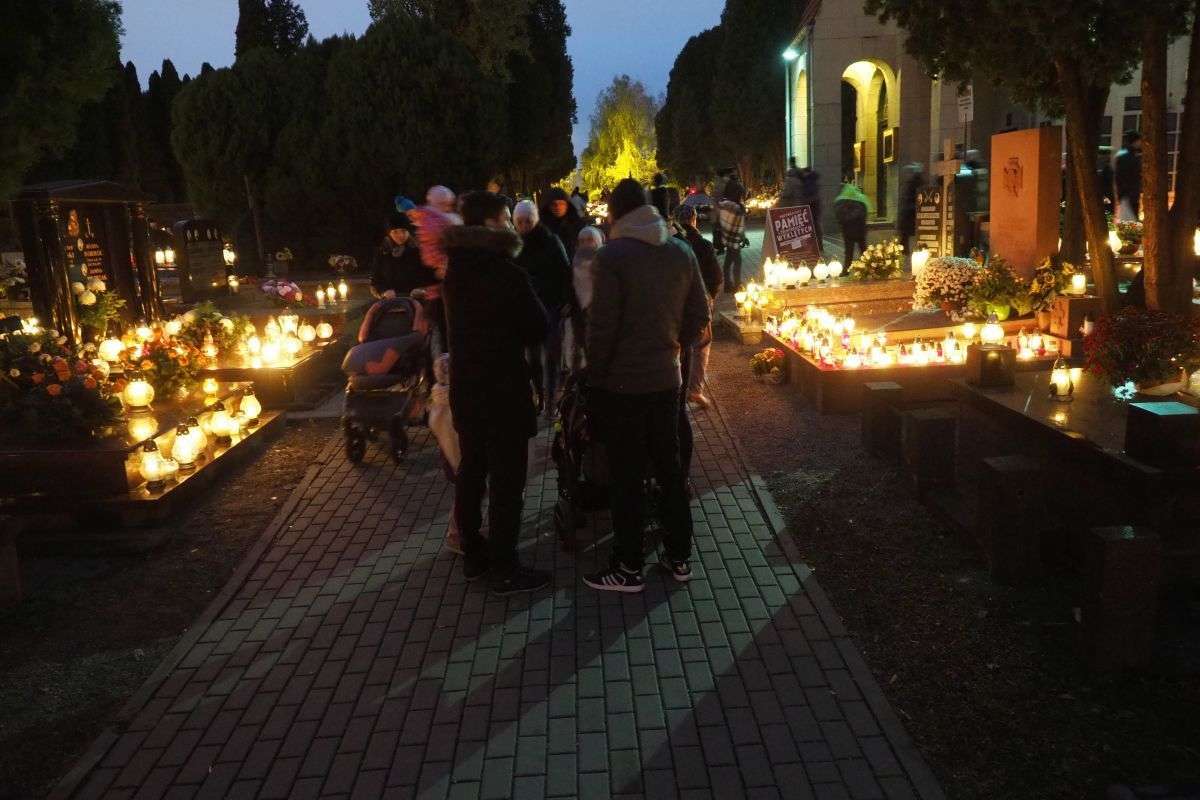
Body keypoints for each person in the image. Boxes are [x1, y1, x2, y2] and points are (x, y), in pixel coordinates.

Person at [583, 178, 710, 592]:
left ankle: (628, 565)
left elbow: (602, 328)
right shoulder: (681, 251)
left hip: (623, 385)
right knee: (669, 470)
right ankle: (679, 556)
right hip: (667, 380)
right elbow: (700, 314)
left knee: (627, 475)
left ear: (616, 213)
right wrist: (674, 345)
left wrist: (595, 378)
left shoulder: (611, 256)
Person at [442, 191, 550, 594]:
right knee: (507, 481)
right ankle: (504, 566)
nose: (509, 224)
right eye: (505, 218)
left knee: (472, 470)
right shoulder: (506, 274)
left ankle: (473, 554)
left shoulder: (455, 270)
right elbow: (538, 327)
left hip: (467, 388)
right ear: (489, 223)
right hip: (503, 389)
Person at [513, 200, 571, 415]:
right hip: (527, 308)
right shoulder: (515, 245)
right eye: (520, 221)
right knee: (532, 358)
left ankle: (550, 401)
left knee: (550, 357)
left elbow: (565, 270)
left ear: (535, 220)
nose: (524, 225)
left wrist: (565, 300)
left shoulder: (551, 241)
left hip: (550, 305)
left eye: (528, 220)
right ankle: (539, 397)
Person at [674, 205, 722, 409]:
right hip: (699, 301)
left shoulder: (672, 244)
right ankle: (694, 390)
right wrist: (710, 296)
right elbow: (716, 276)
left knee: (679, 345)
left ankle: (679, 385)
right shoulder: (703, 244)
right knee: (702, 344)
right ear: (694, 219)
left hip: (676, 302)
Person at [370, 210, 431, 298]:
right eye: (395, 231)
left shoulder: (419, 251)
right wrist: (383, 292)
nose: (400, 235)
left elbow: (429, 276)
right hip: (390, 300)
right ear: (389, 233)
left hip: (416, 299)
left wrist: (422, 289)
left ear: (409, 232)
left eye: (403, 231)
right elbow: (375, 280)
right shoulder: (382, 252)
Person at [568, 226, 604, 370]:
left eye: (589, 240)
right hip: (579, 311)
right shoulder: (575, 260)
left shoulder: (604, 261)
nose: (585, 244)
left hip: (598, 311)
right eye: (582, 241)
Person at [717, 176, 748, 291]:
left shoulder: (723, 204)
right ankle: (737, 284)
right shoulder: (738, 208)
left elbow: (722, 221)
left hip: (726, 236)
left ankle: (727, 284)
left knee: (728, 260)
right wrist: (743, 238)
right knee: (737, 261)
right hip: (734, 238)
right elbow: (740, 226)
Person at [540, 187, 586, 260]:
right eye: (553, 204)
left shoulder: (578, 225)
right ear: (548, 206)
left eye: (561, 204)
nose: (557, 207)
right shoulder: (542, 227)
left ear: (567, 205)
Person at [835, 179, 870, 264]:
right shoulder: (862, 200)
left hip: (848, 231)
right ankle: (868, 267)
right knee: (863, 251)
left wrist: (843, 223)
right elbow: (864, 215)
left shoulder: (841, 202)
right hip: (860, 231)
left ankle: (847, 268)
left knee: (849, 253)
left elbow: (840, 217)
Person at [1114, 131, 1143, 220]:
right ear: (1136, 141)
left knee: (1128, 220)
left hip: (1127, 194)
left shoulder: (1125, 155)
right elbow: (1124, 176)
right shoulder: (1131, 156)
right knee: (1131, 220)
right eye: (1139, 141)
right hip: (1130, 194)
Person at [897, 163, 924, 256]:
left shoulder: (913, 184)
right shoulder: (918, 183)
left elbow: (908, 199)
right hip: (910, 214)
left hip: (909, 214)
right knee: (905, 237)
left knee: (905, 236)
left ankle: (906, 254)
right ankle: (906, 254)